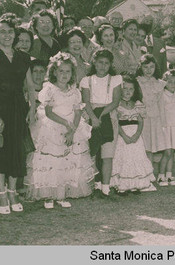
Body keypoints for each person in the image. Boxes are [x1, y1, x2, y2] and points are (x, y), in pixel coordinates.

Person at [25, 53, 96, 208]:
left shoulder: (75, 91)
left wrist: (72, 130)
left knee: (68, 160)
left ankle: (61, 194)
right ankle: (48, 195)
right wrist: (65, 124)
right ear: (54, 72)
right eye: (61, 71)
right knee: (51, 160)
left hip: (71, 128)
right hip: (52, 127)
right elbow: (49, 112)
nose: (64, 75)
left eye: (68, 72)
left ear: (72, 74)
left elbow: (77, 112)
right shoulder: (49, 89)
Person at [0, 19, 36, 214]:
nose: (7, 35)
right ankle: (0, 192)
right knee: (0, 148)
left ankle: (12, 190)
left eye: (10, 32)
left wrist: (32, 108)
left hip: (19, 107)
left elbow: (30, 85)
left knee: (17, 148)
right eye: (3, 32)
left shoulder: (24, 57)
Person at [80, 50, 122, 198]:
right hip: (90, 116)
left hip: (108, 115)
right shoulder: (87, 80)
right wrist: (93, 117)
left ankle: (105, 186)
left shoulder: (116, 79)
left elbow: (115, 101)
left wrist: (101, 115)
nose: (103, 66)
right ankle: (93, 185)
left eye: (106, 63)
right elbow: (85, 102)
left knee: (107, 154)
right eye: (99, 62)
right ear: (94, 63)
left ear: (110, 64)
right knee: (92, 151)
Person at [110, 78, 155, 193]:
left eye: (131, 89)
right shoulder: (116, 104)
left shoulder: (137, 104)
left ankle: (135, 184)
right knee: (124, 158)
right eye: (125, 89)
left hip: (135, 136)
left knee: (135, 158)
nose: (128, 91)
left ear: (135, 90)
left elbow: (140, 121)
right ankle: (122, 185)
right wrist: (124, 136)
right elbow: (116, 123)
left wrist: (137, 135)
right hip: (122, 136)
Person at [136, 54, 165, 168]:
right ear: (140, 67)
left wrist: (163, 123)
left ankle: (150, 172)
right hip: (140, 117)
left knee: (150, 147)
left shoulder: (158, 83)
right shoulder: (137, 82)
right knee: (140, 146)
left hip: (154, 118)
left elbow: (161, 104)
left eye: (151, 67)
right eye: (145, 67)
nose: (148, 70)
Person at [158, 69, 175, 186]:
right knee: (167, 152)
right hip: (165, 127)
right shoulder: (162, 96)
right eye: (169, 82)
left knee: (172, 152)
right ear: (164, 82)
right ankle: (160, 176)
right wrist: (161, 127)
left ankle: (169, 175)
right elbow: (160, 113)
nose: (173, 84)